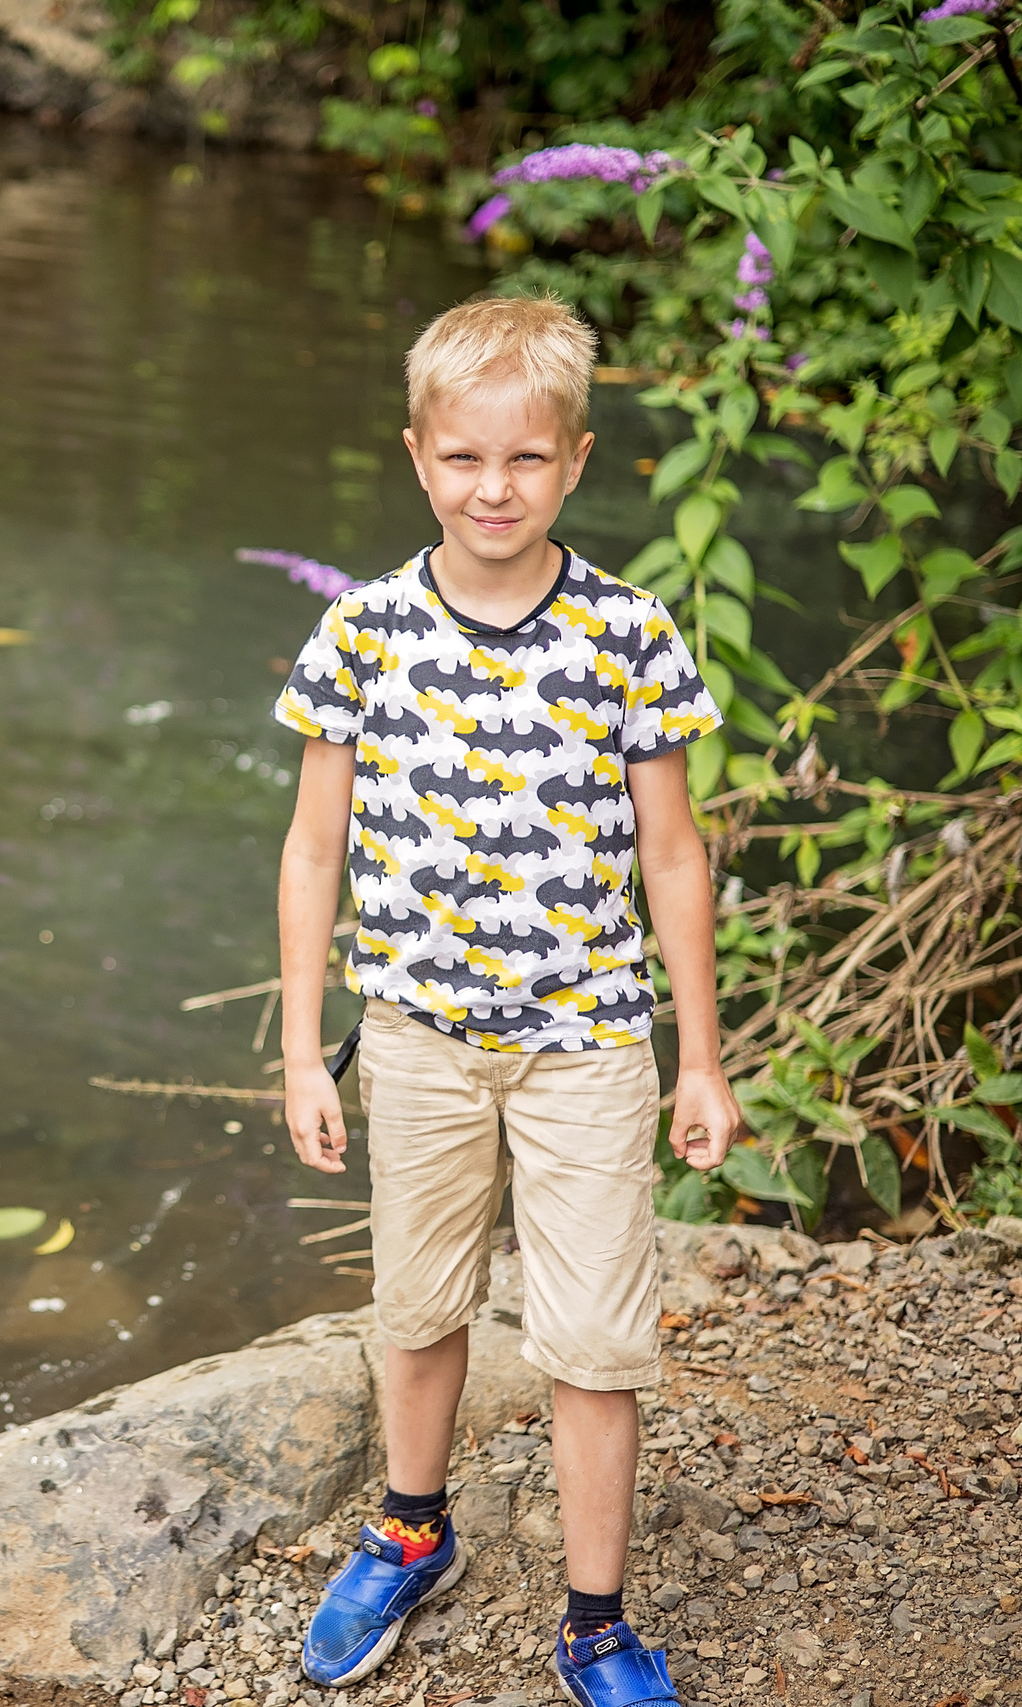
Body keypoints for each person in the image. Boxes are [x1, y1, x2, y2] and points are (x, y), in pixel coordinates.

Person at [271, 293, 742, 1706]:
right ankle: (413, 1530)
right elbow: (312, 848)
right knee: (416, 1312)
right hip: (413, 1040)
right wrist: (303, 1051)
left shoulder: (627, 632)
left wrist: (699, 1059)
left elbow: (673, 852)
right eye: (465, 460)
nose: (494, 488)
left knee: (595, 1345)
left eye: (525, 460)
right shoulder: (361, 634)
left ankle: (595, 1621)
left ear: (576, 461)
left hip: (589, 1047)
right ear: (420, 458)